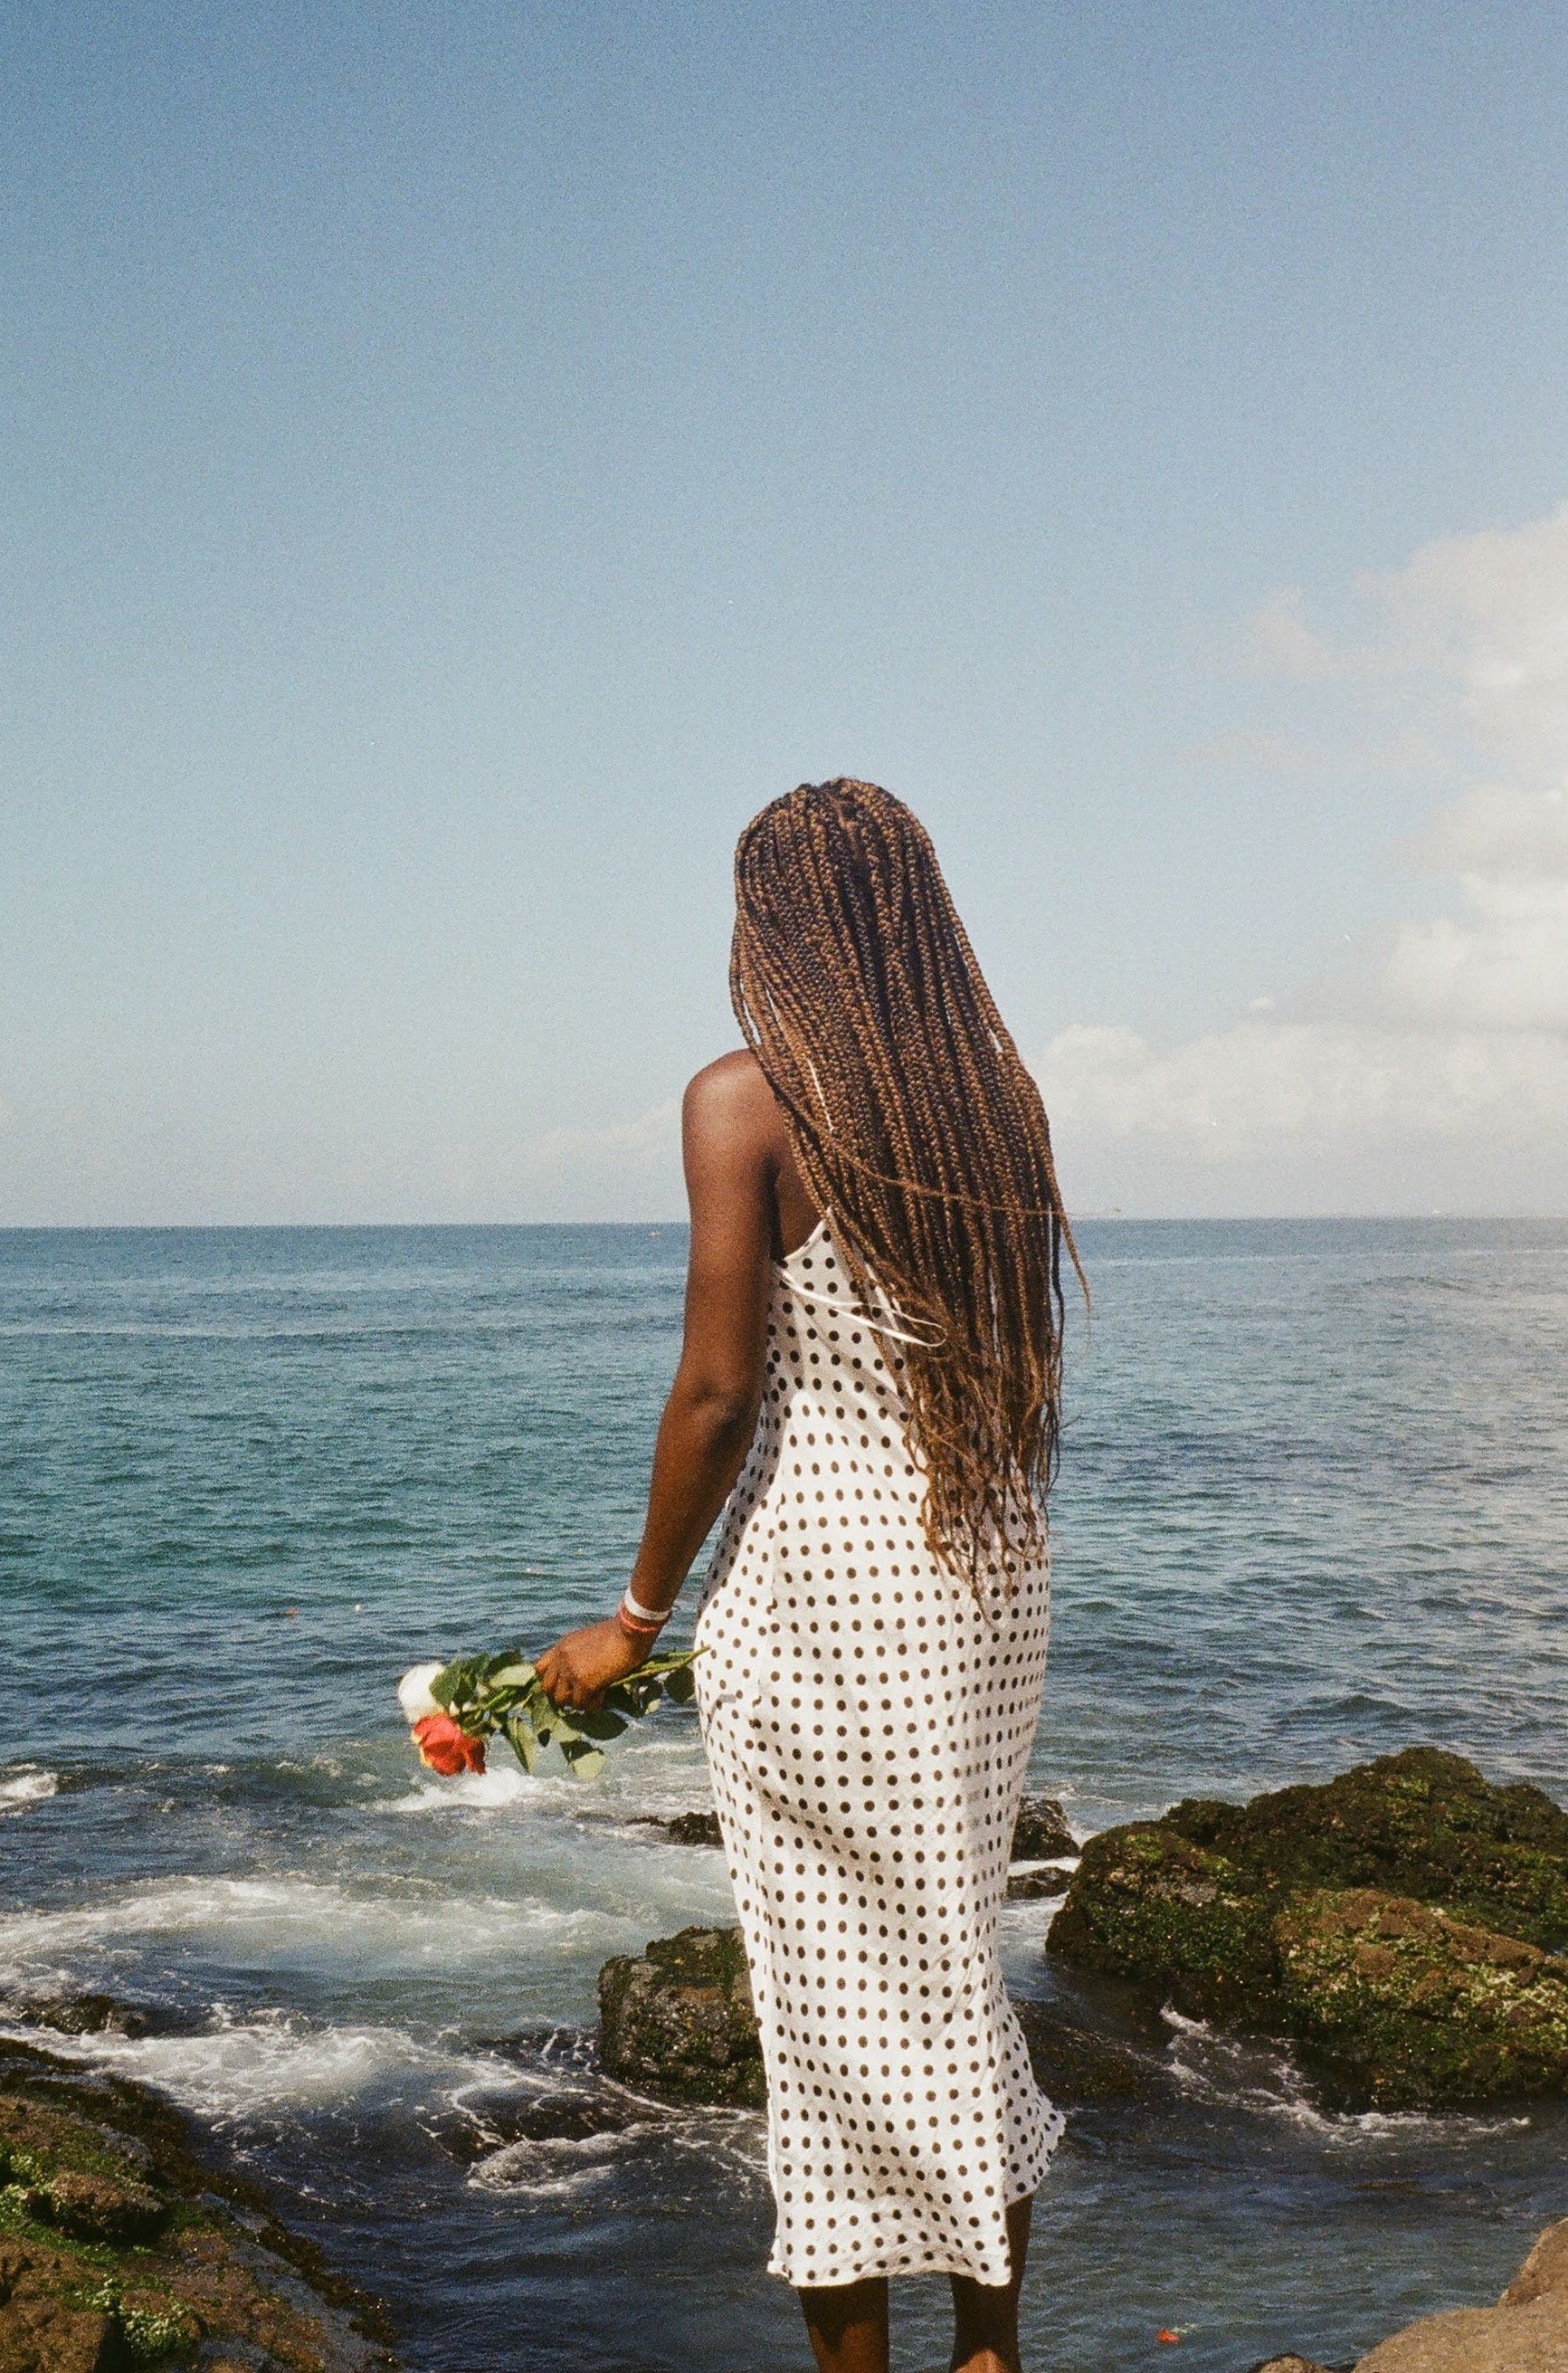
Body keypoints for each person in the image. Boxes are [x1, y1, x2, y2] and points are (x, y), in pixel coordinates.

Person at [537, 777, 1078, 2373]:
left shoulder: (743, 1102)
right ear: (917, 919)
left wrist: (632, 1620)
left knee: (834, 2012)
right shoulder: (1000, 1101)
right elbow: (1011, 1369)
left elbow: (716, 1395)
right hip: (985, 1579)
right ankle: (993, 2350)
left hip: (833, 1595)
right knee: (948, 1965)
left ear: (770, 923)